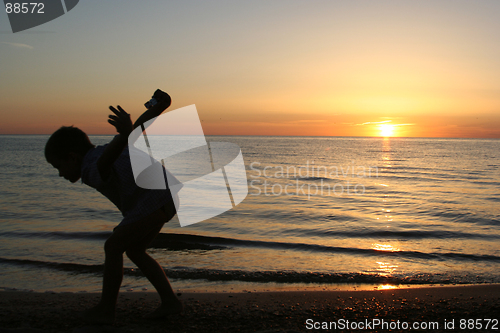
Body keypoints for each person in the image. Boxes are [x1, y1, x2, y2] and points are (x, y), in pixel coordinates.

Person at [44, 90, 182, 324]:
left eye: (59, 166)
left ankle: (106, 309)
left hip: (155, 200)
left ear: (72, 157)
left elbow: (106, 161)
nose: (60, 174)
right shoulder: (109, 149)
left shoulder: (90, 167)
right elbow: (134, 133)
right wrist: (157, 108)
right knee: (135, 251)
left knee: (113, 246)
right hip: (167, 195)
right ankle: (169, 301)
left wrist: (125, 132)